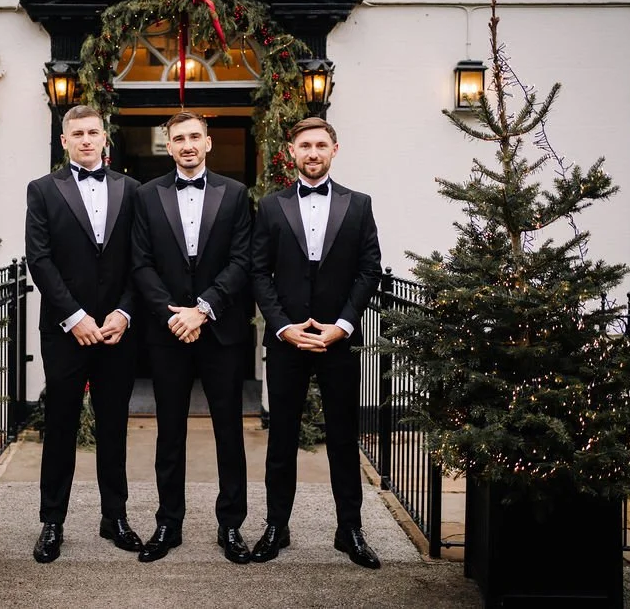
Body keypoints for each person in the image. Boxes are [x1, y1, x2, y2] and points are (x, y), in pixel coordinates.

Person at [249, 116, 384, 569]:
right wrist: (284, 326)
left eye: (320, 145)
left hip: (338, 341)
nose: (312, 153)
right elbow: (258, 272)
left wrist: (342, 324)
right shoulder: (270, 207)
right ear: (291, 152)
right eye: (304, 145)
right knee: (281, 438)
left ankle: (350, 530)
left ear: (334, 150)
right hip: (286, 340)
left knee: (344, 438)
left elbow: (369, 269)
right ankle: (275, 527)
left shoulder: (359, 204)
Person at [132, 110, 253, 564]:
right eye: (178, 138)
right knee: (170, 432)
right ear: (169, 145)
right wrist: (173, 315)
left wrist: (202, 310)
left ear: (208, 143)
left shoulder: (236, 193)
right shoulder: (146, 196)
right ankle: (168, 523)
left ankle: (231, 526)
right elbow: (140, 262)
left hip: (220, 330)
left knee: (229, 431)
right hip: (168, 333)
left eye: (194, 137)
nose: (186, 144)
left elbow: (242, 260)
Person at [25, 104, 142, 563]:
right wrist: (75, 317)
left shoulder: (132, 190)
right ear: (65, 140)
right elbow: (40, 259)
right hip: (64, 331)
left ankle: (115, 517)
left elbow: (141, 259)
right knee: (61, 426)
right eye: (79, 133)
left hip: (117, 330)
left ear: (105, 138)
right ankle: (52, 523)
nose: (87, 139)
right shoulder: (42, 190)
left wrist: (124, 313)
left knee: (114, 426)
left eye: (94, 132)